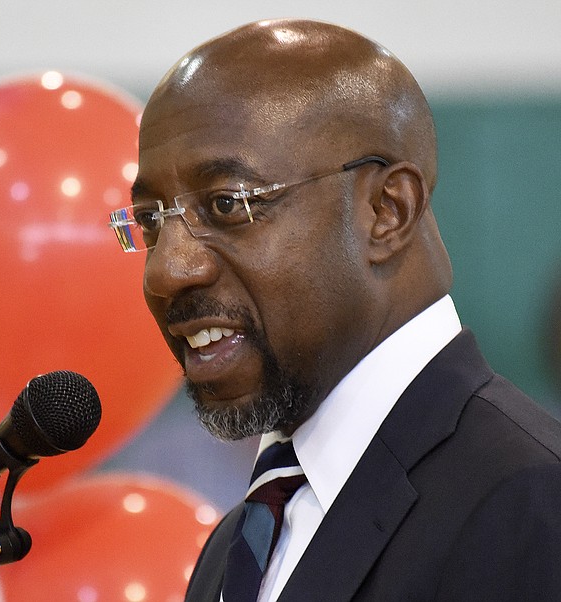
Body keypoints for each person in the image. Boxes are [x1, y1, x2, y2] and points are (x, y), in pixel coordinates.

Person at [107, 18, 561, 601]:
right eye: (149, 221)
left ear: (387, 211)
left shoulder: (529, 505)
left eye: (227, 204)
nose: (167, 270)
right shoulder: (239, 544)